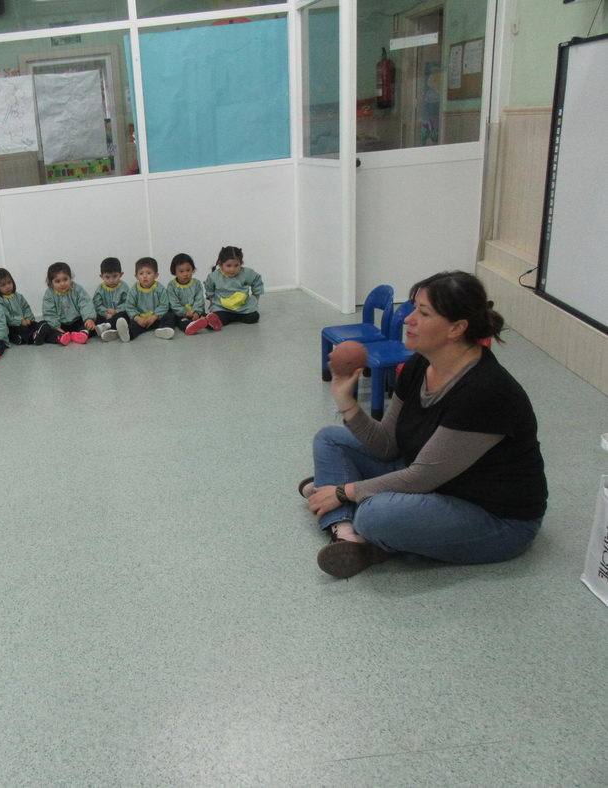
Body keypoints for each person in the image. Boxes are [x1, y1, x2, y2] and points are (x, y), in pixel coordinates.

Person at [302, 270, 548, 578]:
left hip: (494, 518)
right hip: (437, 482)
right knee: (330, 439)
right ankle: (346, 531)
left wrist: (344, 491)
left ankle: (359, 524)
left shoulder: (484, 390)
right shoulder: (420, 363)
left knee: (375, 515)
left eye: (423, 312)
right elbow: (388, 444)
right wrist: (347, 403)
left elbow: (421, 479)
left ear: (457, 328)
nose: (408, 319)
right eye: (413, 308)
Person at [117, 257, 176, 342]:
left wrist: (154, 316)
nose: (145, 276)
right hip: (141, 319)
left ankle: (164, 330)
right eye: (141, 273)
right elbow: (130, 306)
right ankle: (128, 334)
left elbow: (164, 305)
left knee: (170, 316)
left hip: (156, 318)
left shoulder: (160, 288)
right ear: (136, 276)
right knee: (132, 324)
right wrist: (137, 318)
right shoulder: (134, 290)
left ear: (156, 275)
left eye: (148, 273)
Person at [37, 262, 97, 346]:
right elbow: (49, 312)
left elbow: (85, 303)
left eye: (65, 279)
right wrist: (56, 327)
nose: (62, 284)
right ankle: (61, 336)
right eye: (57, 281)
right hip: (60, 325)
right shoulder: (49, 294)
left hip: (77, 321)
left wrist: (88, 318)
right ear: (51, 283)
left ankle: (82, 333)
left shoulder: (77, 289)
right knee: (44, 325)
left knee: (93, 322)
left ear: (70, 278)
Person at [204, 245, 262, 327]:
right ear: (221, 264)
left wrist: (256, 297)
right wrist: (211, 302)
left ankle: (235, 316)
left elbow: (257, 280)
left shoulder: (246, 273)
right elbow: (209, 289)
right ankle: (215, 320)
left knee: (254, 317)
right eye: (228, 266)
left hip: (243, 307)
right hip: (223, 308)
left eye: (236, 265)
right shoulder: (214, 276)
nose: (232, 269)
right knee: (219, 318)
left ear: (241, 264)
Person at [167, 252, 217, 335]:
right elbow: (174, 304)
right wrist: (186, 313)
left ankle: (211, 323)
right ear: (174, 272)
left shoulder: (196, 283)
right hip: (181, 314)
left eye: (188, 270)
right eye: (181, 271)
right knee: (181, 321)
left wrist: (197, 312)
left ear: (193, 269)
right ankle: (189, 327)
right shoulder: (172, 286)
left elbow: (199, 299)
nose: (185, 274)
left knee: (203, 315)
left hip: (196, 311)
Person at [0, 268, 42, 345]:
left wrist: (28, 318)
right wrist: (20, 321)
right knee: (20, 330)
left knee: (38, 324)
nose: (8, 286)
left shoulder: (18, 296)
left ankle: (37, 334)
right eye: (3, 285)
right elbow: (7, 317)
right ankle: (32, 337)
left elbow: (26, 308)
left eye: (9, 282)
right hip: (11, 325)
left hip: (24, 321)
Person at [92, 257, 129, 341]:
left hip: (118, 314)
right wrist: (105, 313)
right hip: (105, 315)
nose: (111, 280)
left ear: (121, 274)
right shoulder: (100, 289)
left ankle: (108, 328)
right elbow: (97, 304)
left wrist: (116, 311)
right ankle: (112, 330)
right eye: (107, 277)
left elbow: (128, 302)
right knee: (95, 317)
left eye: (115, 276)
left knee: (125, 316)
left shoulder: (124, 287)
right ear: (101, 276)